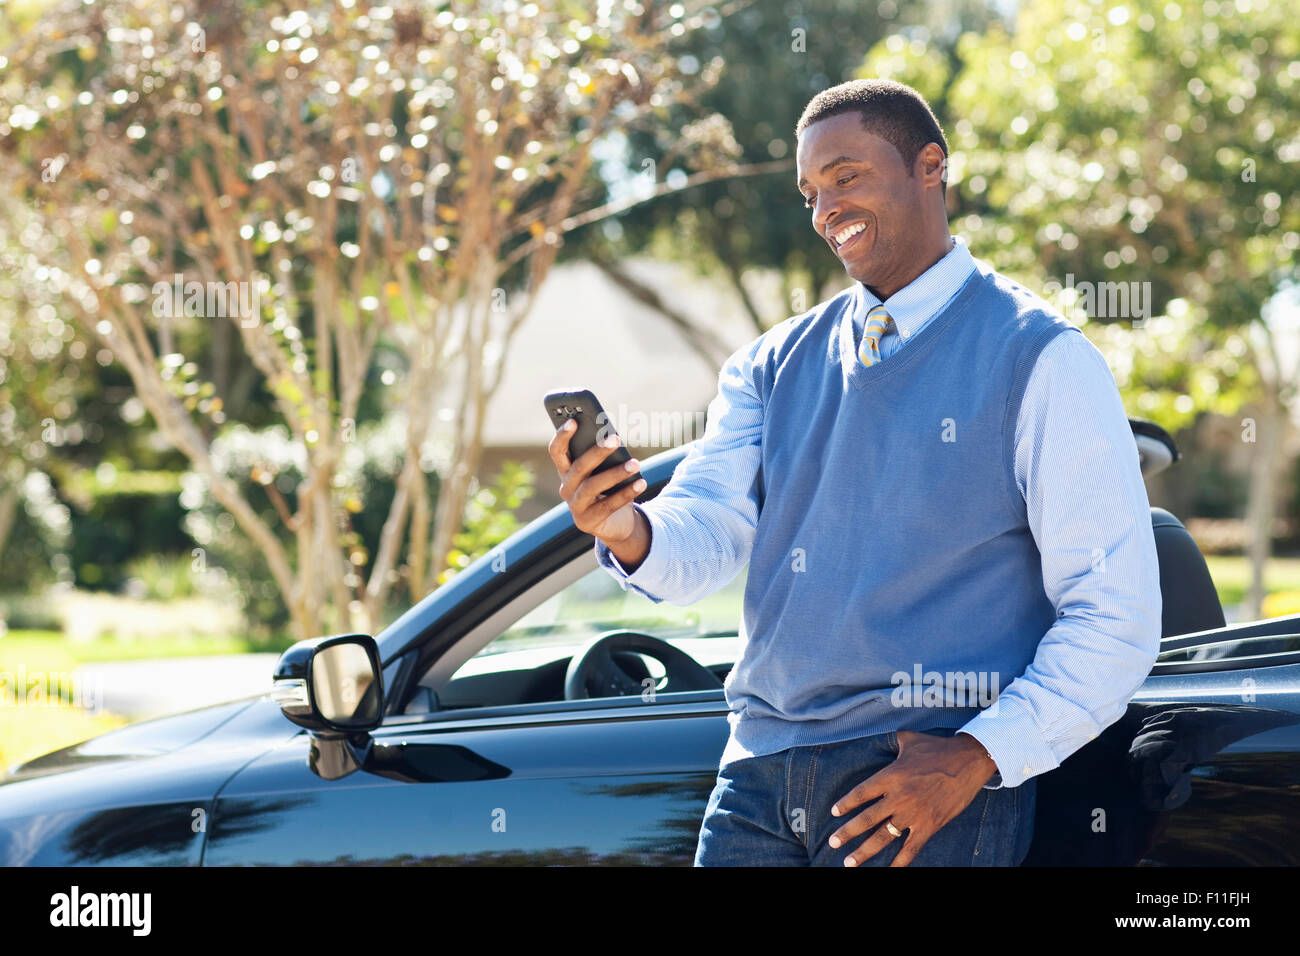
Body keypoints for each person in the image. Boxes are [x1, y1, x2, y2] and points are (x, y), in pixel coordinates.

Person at [547, 78, 1162, 866]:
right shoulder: (768, 365)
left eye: (847, 177)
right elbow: (706, 532)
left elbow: (1115, 615)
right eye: (810, 192)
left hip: (920, 786)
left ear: (930, 166)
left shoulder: (1042, 358)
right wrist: (625, 527)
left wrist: (975, 758)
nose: (825, 209)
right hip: (758, 781)